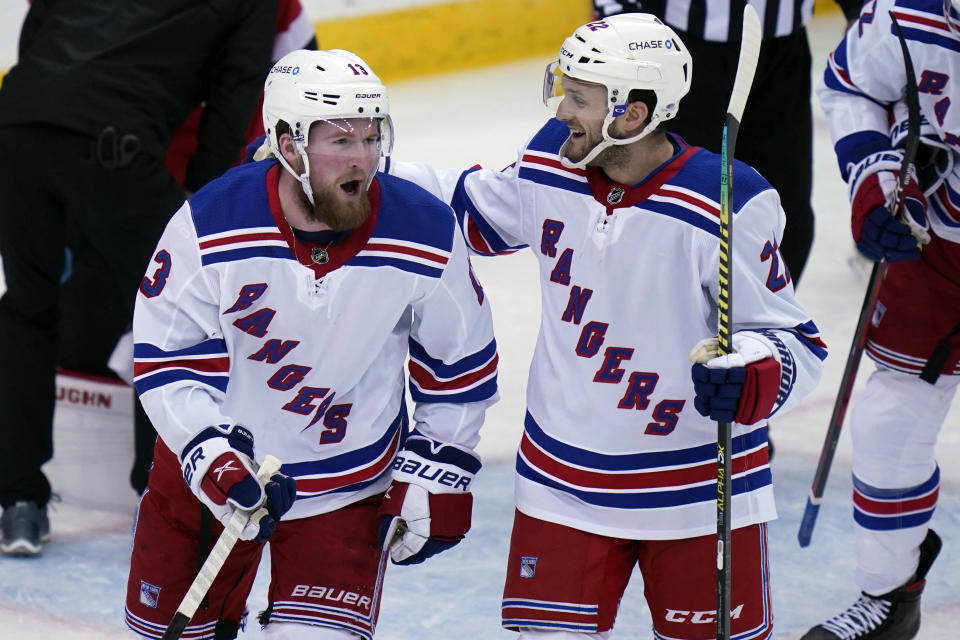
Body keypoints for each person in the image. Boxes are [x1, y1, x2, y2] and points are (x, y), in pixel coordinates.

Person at [384, 13, 827, 639]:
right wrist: (362, 166)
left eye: (580, 99)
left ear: (635, 114)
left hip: (697, 491)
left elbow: (796, 342)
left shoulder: (728, 201)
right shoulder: (550, 162)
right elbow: (476, 206)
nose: (562, 109)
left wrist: (755, 371)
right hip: (560, 485)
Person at [123, 48, 500, 640]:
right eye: (341, 141)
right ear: (287, 143)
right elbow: (168, 361)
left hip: (349, 482)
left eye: (372, 137)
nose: (365, 158)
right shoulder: (211, 223)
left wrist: (440, 467)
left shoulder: (423, 229)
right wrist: (213, 455)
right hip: (213, 480)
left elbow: (461, 362)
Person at [0, 0, 278, 556]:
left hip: (20, 117)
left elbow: (40, 25)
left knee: (28, 304)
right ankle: (163, 498)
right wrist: (199, 198)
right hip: (114, 135)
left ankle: (18, 503)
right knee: (177, 308)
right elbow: (236, 93)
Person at [803, 1, 960, 638]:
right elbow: (852, 85)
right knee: (889, 422)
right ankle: (889, 597)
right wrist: (878, 175)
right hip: (938, 250)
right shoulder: (904, 13)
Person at [591, 0, 864, 287]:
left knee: (785, 214)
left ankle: (765, 323)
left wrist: (859, 10)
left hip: (782, 54)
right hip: (682, 51)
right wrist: (621, 21)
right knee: (676, 205)